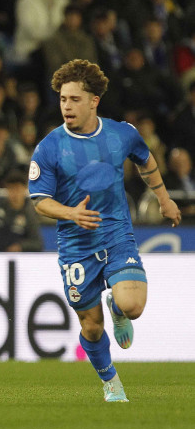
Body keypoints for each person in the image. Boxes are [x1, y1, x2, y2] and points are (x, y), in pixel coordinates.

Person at [28, 59, 181, 402]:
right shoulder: (49, 147)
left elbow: (145, 158)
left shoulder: (121, 133)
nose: (66, 106)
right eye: (63, 99)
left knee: (133, 305)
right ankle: (110, 380)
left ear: (94, 100)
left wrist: (164, 199)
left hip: (115, 232)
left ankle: (118, 307)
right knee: (92, 327)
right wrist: (70, 213)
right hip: (75, 244)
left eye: (74, 99)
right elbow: (39, 200)